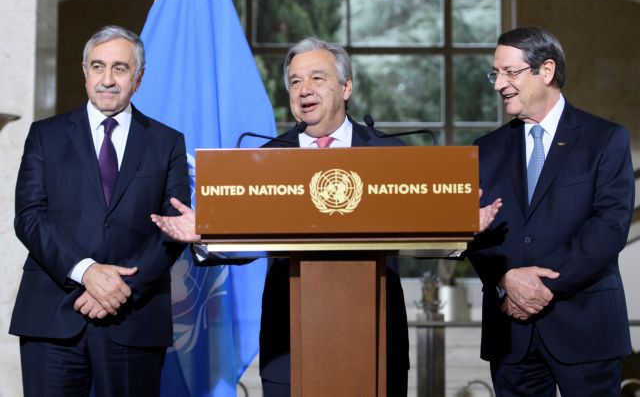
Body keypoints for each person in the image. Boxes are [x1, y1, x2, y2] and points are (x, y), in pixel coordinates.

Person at [151, 37, 501, 396]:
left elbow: (427, 229)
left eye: (317, 78)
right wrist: (208, 232)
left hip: (377, 342)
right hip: (290, 345)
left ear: (346, 87)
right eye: (295, 81)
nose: (304, 89)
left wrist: (459, 223)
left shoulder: (390, 154)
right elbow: (242, 242)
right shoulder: (265, 160)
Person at [10, 25, 190, 396]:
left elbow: (173, 228)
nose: (107, 79)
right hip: (52, 315)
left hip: (134, 316)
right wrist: (86, 271)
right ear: (85, 72)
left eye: (120, 68)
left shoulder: (167, 142)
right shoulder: (45, 135)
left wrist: (119, 289)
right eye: (98, 67)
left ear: (138, 77)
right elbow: (29, 216)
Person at [465, 26, 635, 396]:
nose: (499, 84)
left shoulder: (605, 138)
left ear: (546, 70)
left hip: (585, 329)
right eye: (495, 74)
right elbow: (473, 231)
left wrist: (539, 286)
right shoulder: (486, 149)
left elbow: (609, 227)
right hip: (511, 334)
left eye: (510, 72)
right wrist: (505, 279)